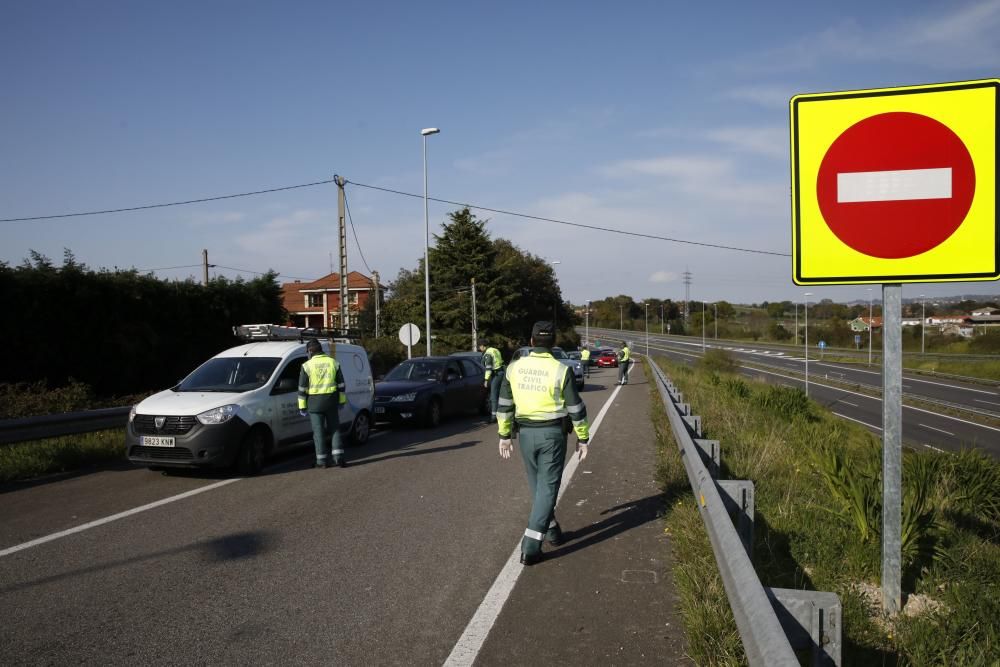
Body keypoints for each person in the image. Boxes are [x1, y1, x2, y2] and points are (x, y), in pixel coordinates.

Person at [497, 321, 590, 566]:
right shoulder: (561, 369)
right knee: (547, 489)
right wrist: (583, 437)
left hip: (526, 434)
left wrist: (504, 435)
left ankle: (552, 531)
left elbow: (504, 405)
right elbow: (576, 408)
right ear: (553, 343)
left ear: (531, 341)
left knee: (537, 486)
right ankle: (530, 546)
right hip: (552, 436)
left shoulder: (514, 368)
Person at [298, 339, 348, 468]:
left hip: (314, 404)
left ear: (310, 351)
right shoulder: (333, 363)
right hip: (331, 401)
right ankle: (338, 458)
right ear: (321, 349)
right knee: (335, 429)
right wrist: (341, 401)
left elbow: (302, 388)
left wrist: (302, 406)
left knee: (318, 432)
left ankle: (322, 461)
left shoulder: (306, 366)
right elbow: (341, 385)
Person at [479, 341, 505, 422]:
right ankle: (500, 414)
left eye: (480, 346)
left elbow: (488, 368)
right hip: (501, 373)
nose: (479, 348)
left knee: (493, 396)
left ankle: (493, 417)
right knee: (500, 395)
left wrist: (486, 380)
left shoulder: (488, 354)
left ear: (483, 346)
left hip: (496, 374)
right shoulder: (495, 350)